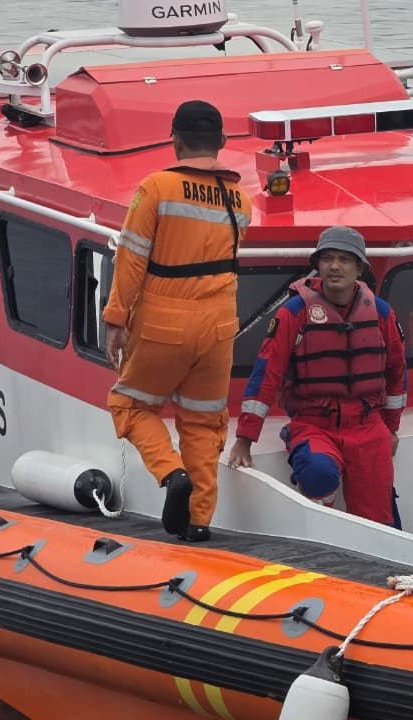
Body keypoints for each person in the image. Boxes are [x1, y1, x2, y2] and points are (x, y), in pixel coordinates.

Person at [103, 100, 250, 542]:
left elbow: (131, 258)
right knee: (203, 423)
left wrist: (115, 318)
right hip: (220, 327)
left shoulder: (156, 188)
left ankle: (172, 474)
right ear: (222, 142)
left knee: (129, 405)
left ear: (175, 140)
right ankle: (198, 521)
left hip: (164, 321)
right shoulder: (240, 199)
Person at [227, 227, 407, 526]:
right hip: (313, 423)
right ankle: (323, 526)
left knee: (379, 519)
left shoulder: (381, 313)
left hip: (368, 425)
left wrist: (391, 427)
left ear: (359, 268)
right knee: (318, 472)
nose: (335, 266)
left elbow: (397, 372)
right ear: (318, 265)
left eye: (344, 260)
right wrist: (245, 438)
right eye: (327, 259)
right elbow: (267, 373)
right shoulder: (294, 313)